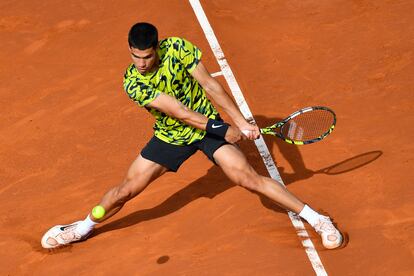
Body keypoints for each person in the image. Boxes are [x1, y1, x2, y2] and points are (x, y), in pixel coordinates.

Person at [41, 22, 343, 250]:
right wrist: (223, 129)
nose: (141, 63)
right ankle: (82, 227)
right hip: (171, 136)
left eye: (146, 56)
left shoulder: (178, 49)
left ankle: (318, 218)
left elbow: (211, 87)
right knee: (126, 191)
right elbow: (179, 113)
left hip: (207, 129)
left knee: (247, 178)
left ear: (157, 48)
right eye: (135, 57)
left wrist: (240, 121)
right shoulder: (133, 82)